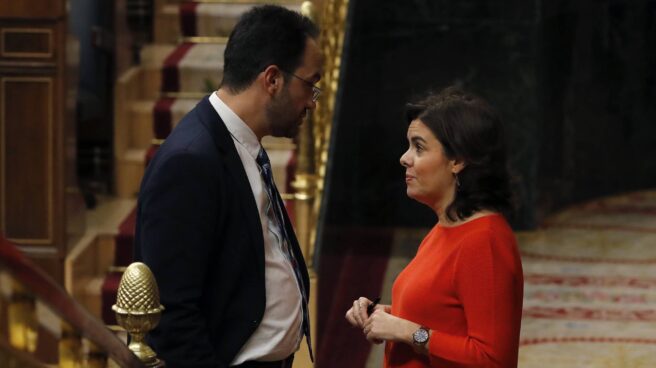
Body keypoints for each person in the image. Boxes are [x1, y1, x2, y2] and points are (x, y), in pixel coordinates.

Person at [134, 5, 323, 367]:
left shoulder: (243, 140)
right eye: (310, 85)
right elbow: (173, 313)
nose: (312, 103)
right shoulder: (191, 161)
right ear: (272, 79)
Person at [345, 87, 524, 367]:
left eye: (419, 147)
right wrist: (385, 316)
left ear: (457, 160)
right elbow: (444, 319)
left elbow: (492, 359)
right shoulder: (445, 228)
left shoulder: (484, 241)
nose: (405, 158)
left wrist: (405, 331)